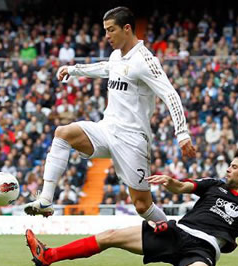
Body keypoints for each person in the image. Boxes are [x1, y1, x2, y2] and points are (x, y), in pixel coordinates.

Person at [25, 149, 238, 266]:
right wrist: (170, 181)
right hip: (175, 232)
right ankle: (49, 255)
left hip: (203, 250)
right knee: (110, 236)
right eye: (229, 165)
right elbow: (183, 186)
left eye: (234, 167)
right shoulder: (214, 186)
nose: (228, 169)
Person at [23, 6, 195, 224]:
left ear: (127, 28)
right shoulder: (116, 56)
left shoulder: (144, 60)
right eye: (105, 30)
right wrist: (74, 69)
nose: (107, 36)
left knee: (142, 206)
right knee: (63, 133)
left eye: (111, 30)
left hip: (132, 139)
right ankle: (46, 199)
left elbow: (170, 94)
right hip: (106, 129)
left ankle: (176, 234)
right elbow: (106, 68)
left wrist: (182, 133)